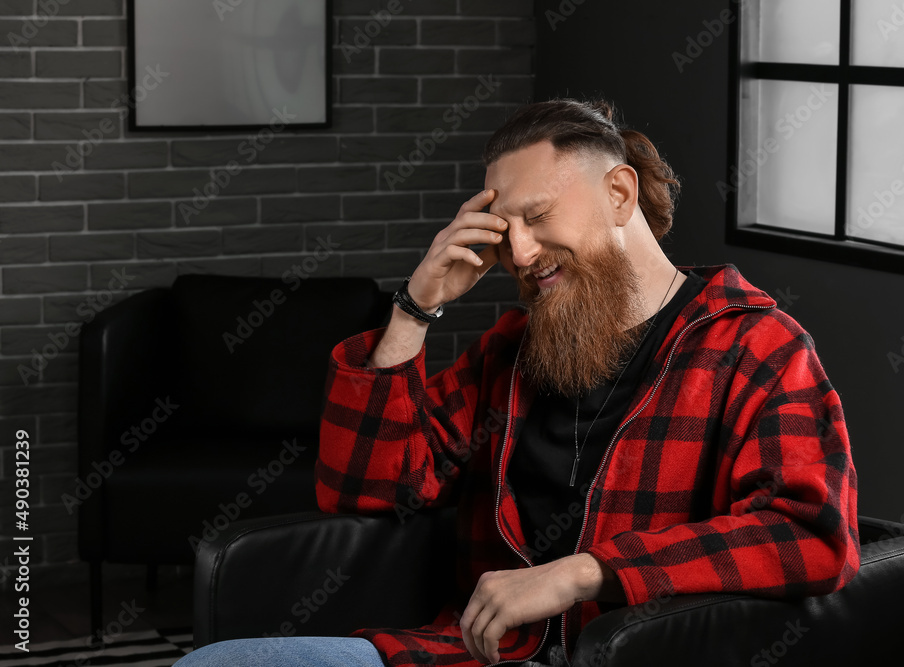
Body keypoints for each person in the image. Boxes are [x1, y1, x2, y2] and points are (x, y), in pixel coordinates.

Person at [175, 98, 860, 667]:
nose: (520, 254)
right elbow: (363, 487)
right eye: (504, 233)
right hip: (468, 655)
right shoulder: (515, 350)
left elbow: (811, 535)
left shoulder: (757, 347)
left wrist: (585, 570)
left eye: (536, 217)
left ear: (619, 194)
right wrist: (415, 309)